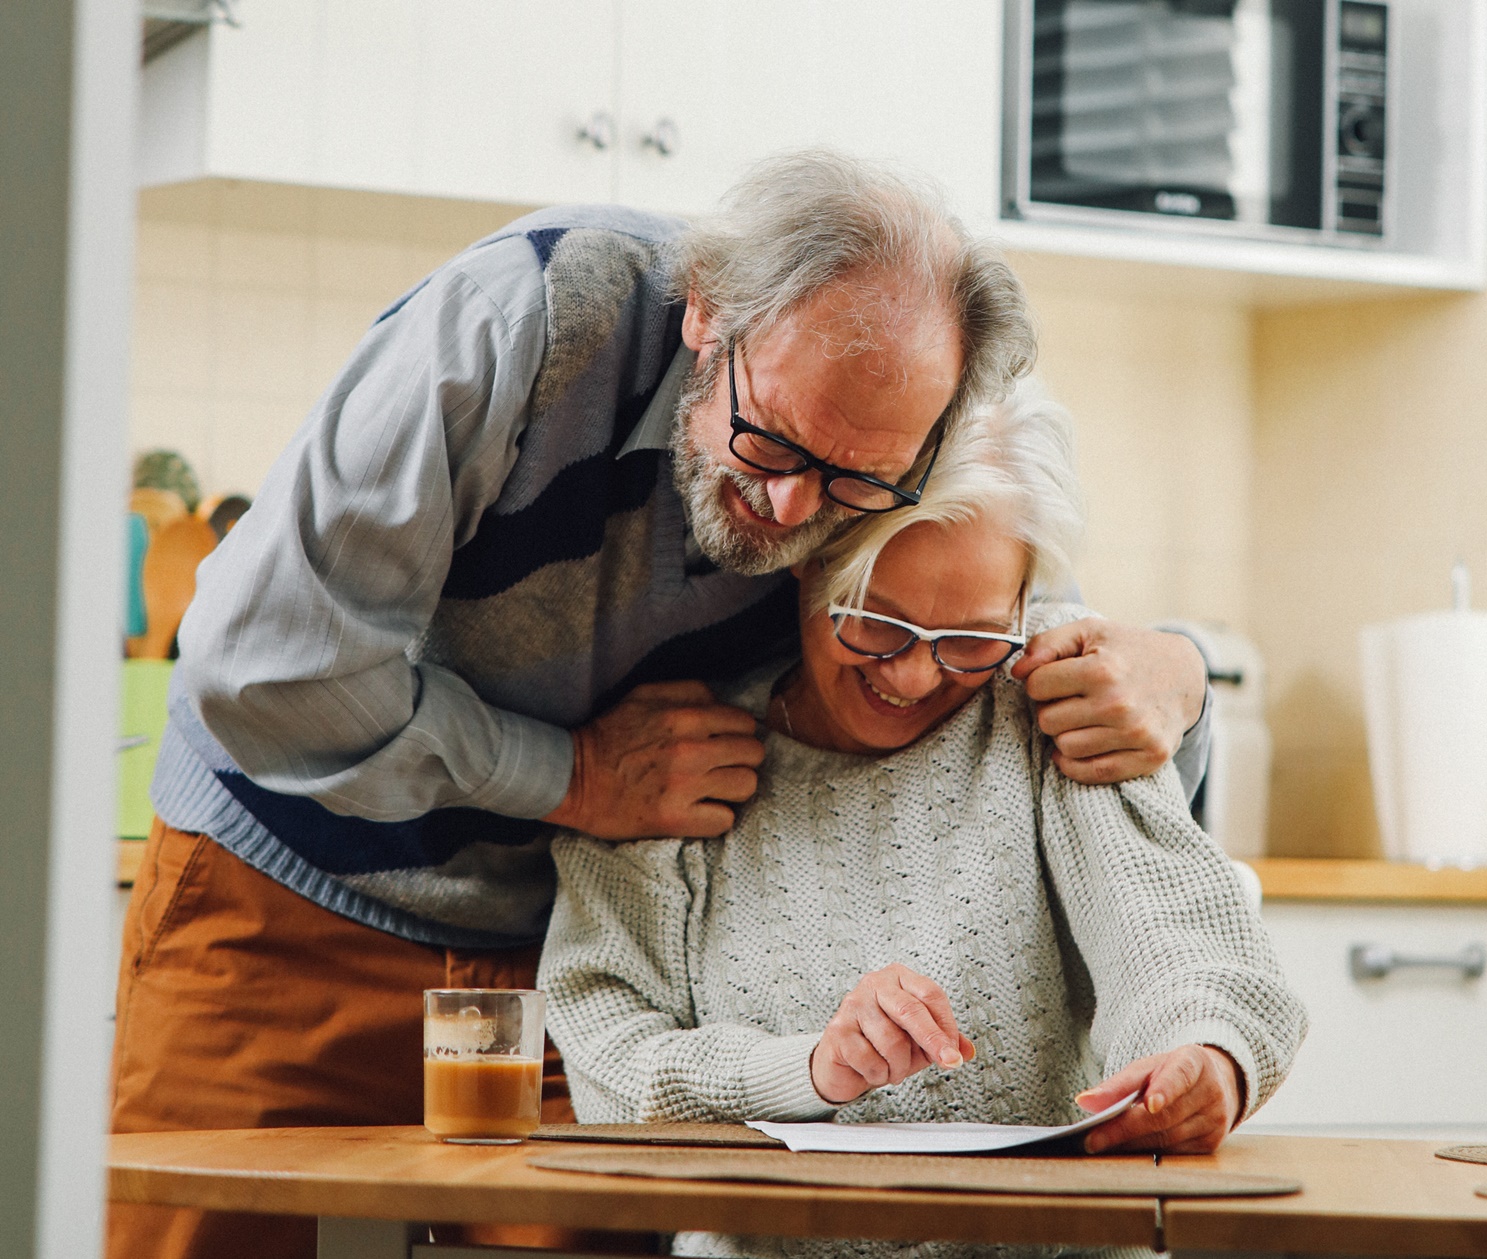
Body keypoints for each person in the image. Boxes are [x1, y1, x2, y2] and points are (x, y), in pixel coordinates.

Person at [109, 152, 1213, 1259]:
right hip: (291, 907)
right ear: (705, 317)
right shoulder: (524, 319)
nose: (792, 508)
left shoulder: (910, 427)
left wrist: (1181, 670)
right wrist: (574, 776)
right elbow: (264, 669)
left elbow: (1013, 628)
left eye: (856, 483)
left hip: (565, 948)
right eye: (770, 440)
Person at [540, 380, 1307, 1259]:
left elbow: (1186, 943)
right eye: (873, 624)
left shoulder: (1047, 703)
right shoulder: (672, 765)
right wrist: (808, 1070)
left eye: (972, 640)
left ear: (1024, 607)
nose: (910, 679)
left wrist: (1208, 1058)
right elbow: (608, 1060)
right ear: (804, 556)